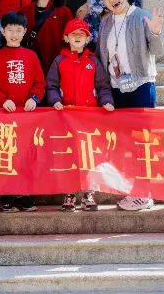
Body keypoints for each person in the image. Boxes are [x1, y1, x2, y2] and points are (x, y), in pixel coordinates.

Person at [95, 0, 164, 212]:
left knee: (142, 142)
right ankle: (133, 190)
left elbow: (159, 50)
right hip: (116, 88)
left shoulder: (141, 16)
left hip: (141, 86)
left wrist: (156, 32)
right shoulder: (106, 22)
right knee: (124, 143)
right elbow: (101, 56)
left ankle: (144, 193)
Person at [46, 18, 114, 212]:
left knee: (88, 156)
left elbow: (102, 86)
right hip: (66, 118)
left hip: (89, 119)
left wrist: (106, 101)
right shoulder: (59, 61)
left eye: (81, 34)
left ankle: (88, 193)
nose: (77, 37)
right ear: (65, 37)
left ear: (88, 38)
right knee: (68, 156)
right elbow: (51, 85)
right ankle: (69, 193)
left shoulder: (93, 61)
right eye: (73, 34)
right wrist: (54, 100)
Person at [0, 10, 46, 213]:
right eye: (10, 30)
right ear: (2, 31)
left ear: (25, 31)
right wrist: (3, 100)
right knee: (6, 153)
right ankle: (6, 194)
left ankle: (25, 194)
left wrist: (34, 98)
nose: (14, 34)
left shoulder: (31, 56)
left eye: (18, 30)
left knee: (26, 155)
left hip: (27, 117)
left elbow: (40, 83)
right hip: (4, 116)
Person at [20, 0, 75, 73]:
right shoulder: (23, 12)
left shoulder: (64, 13)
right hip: (29, 69)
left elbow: (70, 44)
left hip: (55, 70)